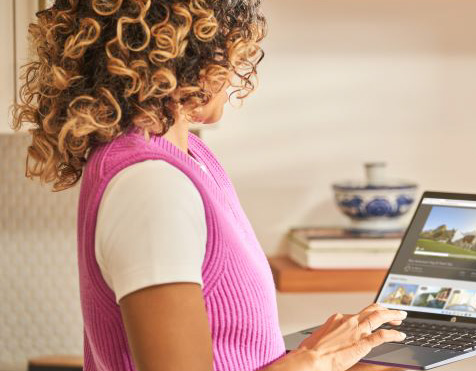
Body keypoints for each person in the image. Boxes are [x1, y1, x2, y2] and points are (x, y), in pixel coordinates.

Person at [11, 1, 407, 371]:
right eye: (230, 49)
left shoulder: (188, 158)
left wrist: (321, 354)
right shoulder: (152, 187)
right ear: (195, 54)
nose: (236, 69)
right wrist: (313, 361)